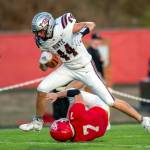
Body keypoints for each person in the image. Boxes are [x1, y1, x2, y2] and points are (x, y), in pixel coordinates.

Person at [19, 12, 150, 132]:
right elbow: (45, 66)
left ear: (49, 27)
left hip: (86, 68)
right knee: (42, 88)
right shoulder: (42, 42)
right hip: (68, 68)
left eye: (40, 31)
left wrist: (80, 34)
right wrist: (43, 62)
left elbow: (91, 24)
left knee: (110, 101)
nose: (38, 35)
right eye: (37, 32)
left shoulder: (63, 26)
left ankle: (143, 120)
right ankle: (37, 122)